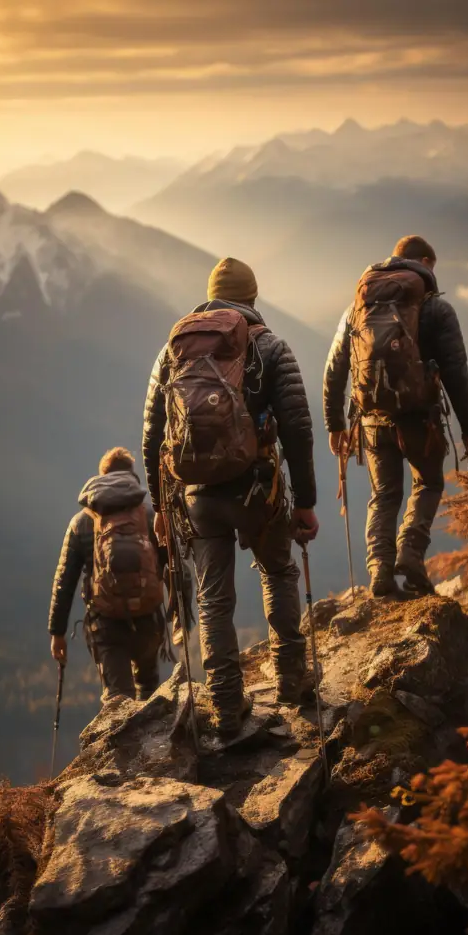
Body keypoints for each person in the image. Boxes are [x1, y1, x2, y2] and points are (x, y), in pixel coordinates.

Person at [142, 256, 318, 736]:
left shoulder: (173, 351)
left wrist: (161, 508)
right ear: (253, 298)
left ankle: (224, 703)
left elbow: (153, 436)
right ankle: (290, 678)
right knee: (279, 571)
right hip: (257, 489)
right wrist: (305, 501)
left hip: (196, 495)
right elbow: (299, 430)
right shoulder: (271, 348)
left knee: (213, 600)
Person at [324, 235, 468, 598]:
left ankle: (379, 571)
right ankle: (410, 553)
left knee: (384, 494)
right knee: (428, 483)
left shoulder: (357, 308)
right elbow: (456, 371)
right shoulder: (436, 309)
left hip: (373, 419)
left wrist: (335, 425)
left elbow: (334, 370)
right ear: (424, 261)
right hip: (419, 420)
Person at [48, 447, 165, 702]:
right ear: (131, 476)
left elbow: (64, 581)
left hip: (106, 624)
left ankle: (123, 738)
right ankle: (156, 737)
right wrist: (176, 617)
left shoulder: (82, 522)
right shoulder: (149, 515)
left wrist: (57, 633)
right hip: (148, 618)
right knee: (149, 688)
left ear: (103, 477)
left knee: (118, 698)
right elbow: (171, 565)